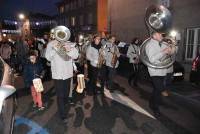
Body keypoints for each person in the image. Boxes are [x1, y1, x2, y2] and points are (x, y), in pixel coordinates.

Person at [45, 32, 79, 123]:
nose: (61, 37)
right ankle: (63, 114)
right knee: (60, 95)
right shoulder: (51, 44)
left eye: (62, 34)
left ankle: (63, 108)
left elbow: (76, 55)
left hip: (68, 74)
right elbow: (47, 57)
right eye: (59, 34)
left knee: (66, 94)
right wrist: (55, 49)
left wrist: (69, 49)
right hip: (57, 75)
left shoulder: (69, 43)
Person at [145, 32, 173, 116]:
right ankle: (155, 108)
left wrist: (173, 45)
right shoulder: (150, 45)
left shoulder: (163, 44)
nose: (162, 35)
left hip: (163, 70)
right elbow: (152, 59)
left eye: (162, 34)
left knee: (156, 90)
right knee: (160, 89)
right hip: (154, 71)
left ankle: (151, 103)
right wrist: (163, 52)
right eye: (160, 34)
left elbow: (171, 53)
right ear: (154, 36)